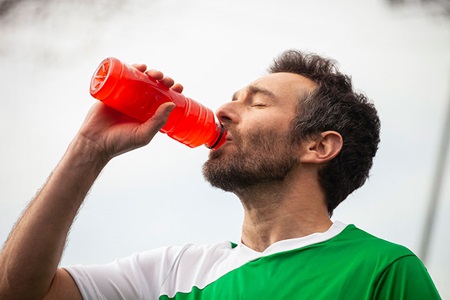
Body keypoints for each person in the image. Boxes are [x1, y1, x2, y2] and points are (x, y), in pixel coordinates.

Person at [0, 50, 440, 299]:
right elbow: (18, 292)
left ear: (317, 146)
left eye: (257, 103)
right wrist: (89, 150)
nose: (223, 110)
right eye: (232, 98)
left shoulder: (382, 270)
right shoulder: (176, 272)